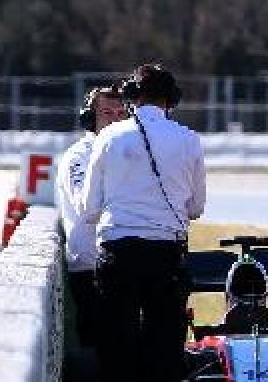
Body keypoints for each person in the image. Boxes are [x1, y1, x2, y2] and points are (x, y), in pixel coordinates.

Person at [79, 63, 206, 382]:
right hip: (167, 253)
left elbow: (89, 209)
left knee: (117, 350)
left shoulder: (108, 137)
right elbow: (196, 208)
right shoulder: (189, 140)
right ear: (172, 99)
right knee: (164, 352)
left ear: (131, 96)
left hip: (118, 251)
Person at [56, 85, 126, 349]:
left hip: (121, 263)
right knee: (97, 346)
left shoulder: (127, 153)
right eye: (107, 113)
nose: (115, 119)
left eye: (121, 113)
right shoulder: (78, 157)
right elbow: (86, 208)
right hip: (89, 265)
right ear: (90, 118)